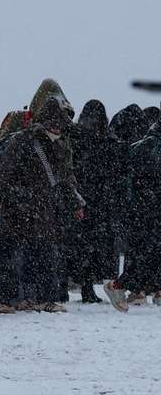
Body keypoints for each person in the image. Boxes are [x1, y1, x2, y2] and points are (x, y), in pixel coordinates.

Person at [0, 98, 85, 314]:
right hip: (20, 210)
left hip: (40, 210)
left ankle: (40, 299)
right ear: (47, 124)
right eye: (56, 126)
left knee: (43, 254)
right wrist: (22, 198)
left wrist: (74, 201)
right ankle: (8, 300)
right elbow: (5, 178)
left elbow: (61, 179)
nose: (58, 131)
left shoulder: (51, 145)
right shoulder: (22, 142)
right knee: (17, 256)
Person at [67, 100, 123, 303]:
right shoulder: (106, 140)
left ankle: (84, 286)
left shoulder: (77, 138)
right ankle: (92, 286)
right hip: (99, 200)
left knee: (83, 245)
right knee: (94, 245)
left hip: (85, 199)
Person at [106, 112, 161, 310]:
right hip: (148, 209)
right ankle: (119, 285)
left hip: (143, 208)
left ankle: (127, 286)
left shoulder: (141, 146)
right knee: (148, 251)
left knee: (146, 251)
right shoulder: (146, 147)